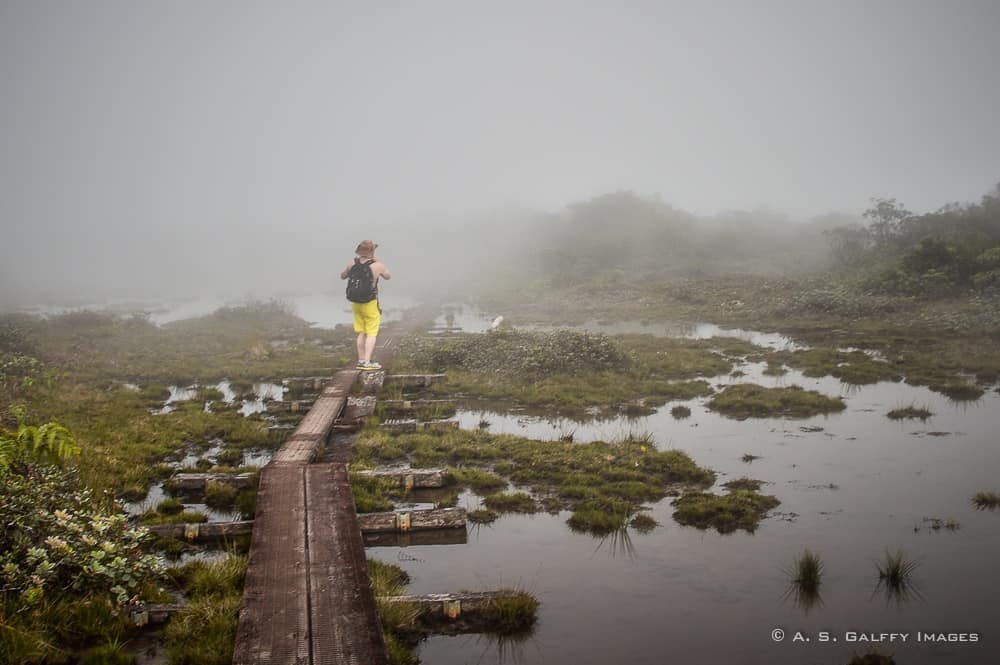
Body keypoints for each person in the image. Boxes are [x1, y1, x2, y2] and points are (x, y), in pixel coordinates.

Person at [341, 239, 391, 370]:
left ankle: (361, 360)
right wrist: (377, 261)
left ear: (359, 250)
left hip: (355, 303)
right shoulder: (377, 265)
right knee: (372, 333)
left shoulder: (352, 263)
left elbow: (343, 276)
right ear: (372, 251)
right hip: (369, 302)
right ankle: (368, 362)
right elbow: (388, 276)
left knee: (361, 332)